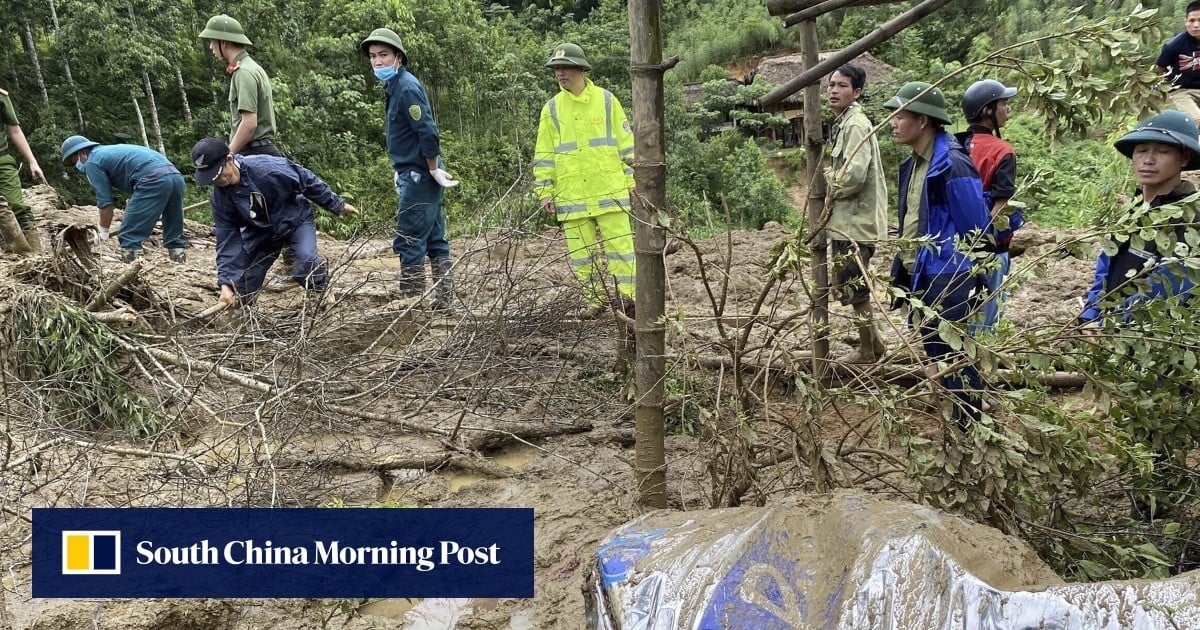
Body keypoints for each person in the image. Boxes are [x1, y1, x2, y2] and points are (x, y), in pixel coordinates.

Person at [884, 81, 991, 428]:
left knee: (954, 356)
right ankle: (961, 422)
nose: (894, 122)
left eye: (902, 115)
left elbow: (976, 229)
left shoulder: (953, 165)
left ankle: (970, 425)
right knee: (935, 352)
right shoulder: (914, 164)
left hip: (949, 273)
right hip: (922, 271)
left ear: (924, 121)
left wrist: (977, 276)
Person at [533, 43, 636, 317]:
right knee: (581, 255)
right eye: (556, 69)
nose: (560, 74)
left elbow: (628, 147)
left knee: (621, 250)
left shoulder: (606, 100)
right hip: (572, 194)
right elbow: (543, 154)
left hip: (610, 191)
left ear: (580, 68)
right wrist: (545, 190)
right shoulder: (552, 109)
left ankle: (630, 300)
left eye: (565, 67)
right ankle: (595, 301)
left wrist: (632, 182)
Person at [190, 137, 358, 306]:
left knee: (306, 263)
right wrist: (226, 282)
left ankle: (323, 294)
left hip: (295, 220)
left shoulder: (268, 168)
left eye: (218, 175)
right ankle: (243, 316)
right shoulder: (220, 197)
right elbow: (227, 237)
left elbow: (306, 180)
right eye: (211, 179)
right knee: (242, 279)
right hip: (260, 230)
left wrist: (336, 204)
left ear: (229, 160)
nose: (218, 182)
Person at [360, 27, 458, 311]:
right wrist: (400, 167)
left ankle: (411, 306)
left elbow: (427, 131)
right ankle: (443, 303)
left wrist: (432, 168)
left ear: (398, 57)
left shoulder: (406, 86)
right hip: (413, 170)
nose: (377, 62)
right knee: (434, 238)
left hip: (420, 175)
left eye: (383, 55)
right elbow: (405, 134)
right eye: (373, 56)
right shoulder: (394, 85)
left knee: (409, 239)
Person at [1080, 110, 1200, 325]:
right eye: (1141, 151)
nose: (1148, 160)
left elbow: (1167, 288)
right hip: (1112, 331)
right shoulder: (1133, 208)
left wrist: (1112, 324)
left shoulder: (1189, 219)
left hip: (1152, 337)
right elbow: (1106, 264)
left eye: (1162, 152)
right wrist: (1091, 313)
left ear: (1184, 158)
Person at [825, 64, 888, 362]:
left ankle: (867, 351)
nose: (834, 90)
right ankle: (874, 345)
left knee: (855, 288)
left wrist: (826, 181)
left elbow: (852, 177)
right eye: (831, 85)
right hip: (849, 221)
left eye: (842, 86)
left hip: (854, 222)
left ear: (857, 92)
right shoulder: (846, 122)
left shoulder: (853, 125)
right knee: (851, 284)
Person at [958, 79, 1025, 333]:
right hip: (991, 250)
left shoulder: (955, 145)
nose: (1007, 109)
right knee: (986, 316)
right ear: (987, 111)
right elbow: (1001, 207)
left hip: (957, 248)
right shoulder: (1002, 151)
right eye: (1003, 103)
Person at [60, 136, 189, 263]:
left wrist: (103, 230)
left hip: (152, 180)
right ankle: (179, 261)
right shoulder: (108, 152)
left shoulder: (92, 162)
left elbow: (105, 201)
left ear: (82, 152)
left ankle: (134, 274)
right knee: (174, 224)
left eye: (74, 160)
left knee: (129, 235)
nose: (76, 165)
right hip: (175, 176)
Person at [199, 14, 279, 157]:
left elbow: (249, 123)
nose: (211, 47)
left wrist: (229, 155)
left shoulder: (244, 72)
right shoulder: (252, 67)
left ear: (223, 42)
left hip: (254, 154)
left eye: (212, 41)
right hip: (260, 151)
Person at [0, 86, 46, 255]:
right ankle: (17, 257)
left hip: (2, 161)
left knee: (17, 206)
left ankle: (37, 257)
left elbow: (15, 130)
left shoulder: (1, 97)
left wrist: (32, 161)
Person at [1156, 1, 1200, 122]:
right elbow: (1161, 68)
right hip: (1181, 89)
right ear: (1185, 21)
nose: (1196, 25)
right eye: (1192, 20)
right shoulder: (1173, 46)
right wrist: (1165, 86)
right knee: (1196, 119)